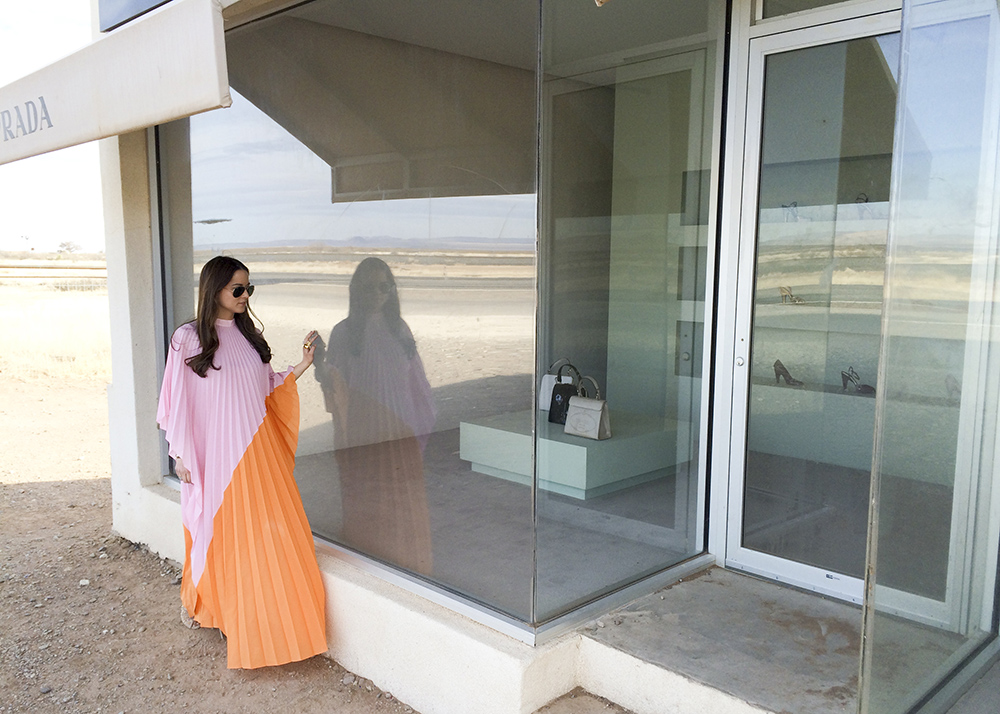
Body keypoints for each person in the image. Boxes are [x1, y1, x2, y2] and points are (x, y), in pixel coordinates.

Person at [156, 255, 327, 669]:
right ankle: (205, 604)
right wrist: (178, 453)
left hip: (257, 452)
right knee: (214, 530)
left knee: (269, 535)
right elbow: (175, 400)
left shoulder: (250, 338)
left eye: (249, 289)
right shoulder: (187, 339)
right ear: (213, 288)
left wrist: (303, 363)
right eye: (237, 289)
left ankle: (259, 621)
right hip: (215, 456)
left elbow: (267, 387)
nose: (245, 296)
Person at [315, 257, 436, 574]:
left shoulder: (400, 328)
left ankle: (408, 563)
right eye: (369, 287)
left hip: (401, 426)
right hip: (365, 428)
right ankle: (370, 564)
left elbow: (417, 383)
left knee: (403, 500)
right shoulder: (344, 333)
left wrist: (422, 423)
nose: (378, 293)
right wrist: (317, 366)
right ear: (357, 290)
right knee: (371, 498)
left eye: (385, 286)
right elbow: (337, 389)